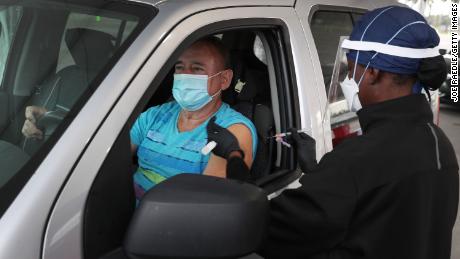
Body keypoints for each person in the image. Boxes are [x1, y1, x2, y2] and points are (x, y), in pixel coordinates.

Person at [206, 6, 458, 259]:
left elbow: (263, 230)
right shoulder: (439, 144)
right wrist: (317, 171)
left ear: (373, 72)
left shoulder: (358, 161)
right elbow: (378, 218)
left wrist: (236, 157)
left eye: (351, 69)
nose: (347, 79)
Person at [129, 36, 257, 202]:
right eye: (180, 67)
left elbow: (205, 204)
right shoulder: (154, 115)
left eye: (197, 69)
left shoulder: (232, 132)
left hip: (169, 224)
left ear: (224, 80)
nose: (184, 76)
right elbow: (109, 160)